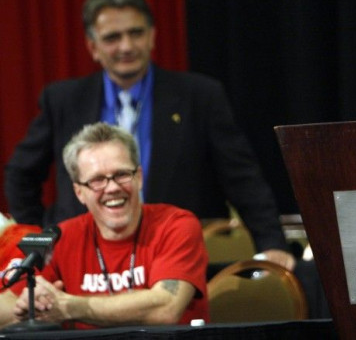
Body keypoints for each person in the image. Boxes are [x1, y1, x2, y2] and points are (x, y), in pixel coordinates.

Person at [4, 0, 294, 271]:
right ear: (93, 47)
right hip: (85, 262)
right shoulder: (63, 100)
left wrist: (272, 244)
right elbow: (21, 174)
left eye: (136, 33)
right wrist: (41, 236)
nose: (127, 46)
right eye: (113, 37)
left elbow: (243, 179)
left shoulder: (199, 96)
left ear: (152, 36)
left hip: (175, 257)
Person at [0, 122, 209, 329]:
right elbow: (8, 302)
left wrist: (69, 306)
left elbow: (166, 308)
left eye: (121, 174)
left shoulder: (178, 224)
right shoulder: (57, 235)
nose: (112, 188)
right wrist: (30, 304)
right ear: (79, 192)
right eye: (97, 180)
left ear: (139, 178)